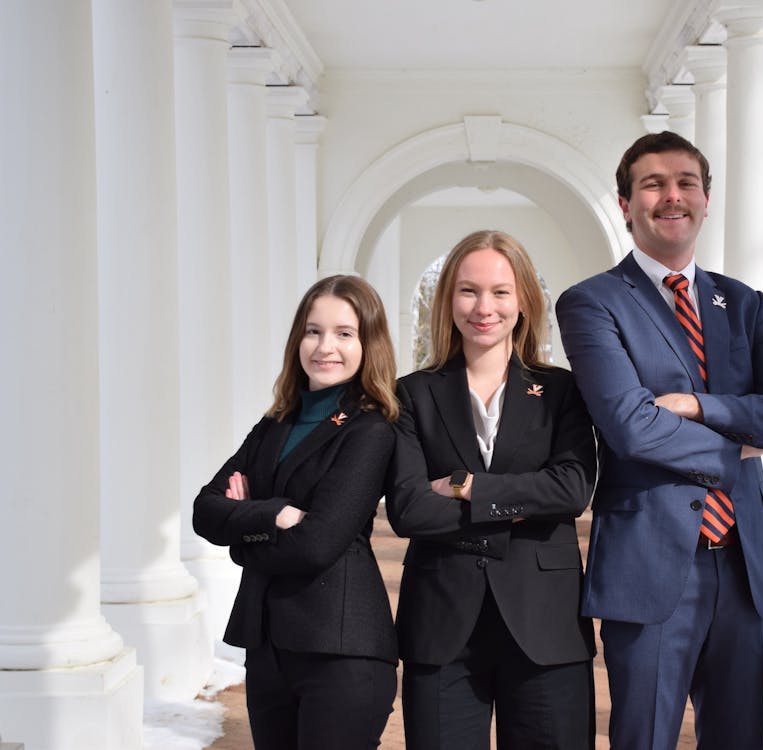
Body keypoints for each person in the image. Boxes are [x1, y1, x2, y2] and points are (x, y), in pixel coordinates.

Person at [555, 131, 763, 750]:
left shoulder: (745, 304)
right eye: (653, 185)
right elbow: (630, 426)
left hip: (748, 570)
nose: (672, 196)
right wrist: (739, 445)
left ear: (706, 199)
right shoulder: (593, 303)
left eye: (686, 183)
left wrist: (700, 405)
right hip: (650, 570)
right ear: (626, 205)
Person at [387, 230, 597, 750]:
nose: (485, 307)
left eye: (500, 292)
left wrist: (466, 488)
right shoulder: (411, 394)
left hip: (545, 622)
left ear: (523, 300)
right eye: (469, 291)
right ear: (447, 300)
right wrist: (523, 502)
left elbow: (571, 489)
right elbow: (409, 509)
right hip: (441, 624)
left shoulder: (562, 390)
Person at [193, 275, 399, 750]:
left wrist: (241, 535)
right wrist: (276, 514)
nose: (325, 347)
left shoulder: (370, 430)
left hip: (340, 651)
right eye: (313, 331)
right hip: (267, 648)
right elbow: (205, 510)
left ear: (368, 344)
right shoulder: (274, 424)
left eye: (344, 333)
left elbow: (316, 545)